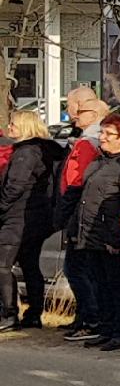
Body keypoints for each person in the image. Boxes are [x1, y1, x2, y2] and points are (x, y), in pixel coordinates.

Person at [65, 114, 120, 351]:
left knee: (117, 285)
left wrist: (117, 237)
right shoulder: (100, 161)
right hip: (91, 235)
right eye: (102, 133)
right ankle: (107, 328)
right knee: (100, 284)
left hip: (112, 237)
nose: (102, 138)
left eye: (109, 134)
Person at [52, 85, 107, 334]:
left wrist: (63, 212)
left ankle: (90, 318)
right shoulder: (91, 140)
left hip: (81, 213)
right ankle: (86, 317)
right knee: (83, 268)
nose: (71, 113)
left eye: (75, 108)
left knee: (76, 269)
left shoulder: (88, 143)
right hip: (85, 212)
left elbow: (75, 182)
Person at [0, 111, 60, 331]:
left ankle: (9, 314)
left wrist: (2, 208)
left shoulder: (26, 153)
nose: (9, 129)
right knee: (29, 265)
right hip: (35, 217)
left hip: (18, 217)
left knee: (3, 265)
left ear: (25, 127)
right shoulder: (43, 151)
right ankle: (34, 313)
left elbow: (14, 187)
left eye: (14, 125)